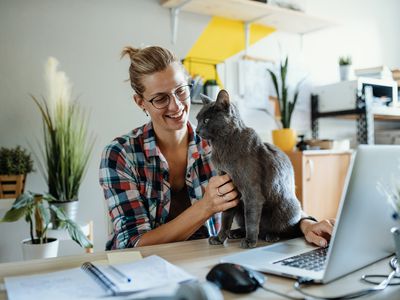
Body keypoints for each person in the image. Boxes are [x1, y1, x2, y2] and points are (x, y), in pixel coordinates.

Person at [99, 45, 334, 250]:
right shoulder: (120, 156)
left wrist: (306, 224)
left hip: (208, 260)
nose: (177, 105)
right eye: (160, 98)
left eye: (181, 90)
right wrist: (206, 207)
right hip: (142, 273)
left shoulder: (223, 143)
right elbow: (133, 244)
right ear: (140, 102)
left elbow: (273, 197)